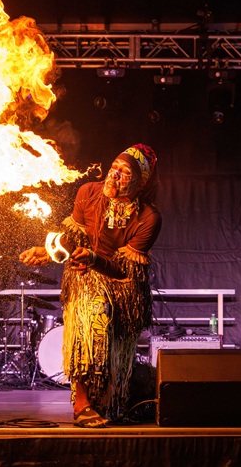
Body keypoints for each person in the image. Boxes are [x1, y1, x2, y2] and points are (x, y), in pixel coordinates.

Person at [19, 143, 162, 427]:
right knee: (93, 316)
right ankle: (81, 402)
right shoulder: (88, 192)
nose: (114, 175)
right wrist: (48, 251)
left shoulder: (149, 217)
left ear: (140, 182)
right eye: (114, 167)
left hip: (123, 285)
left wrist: (95, 259)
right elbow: (74, 240)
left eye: (124, 172)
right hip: (87, 277)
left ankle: (109, 400)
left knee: (112, 401)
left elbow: (125, 270)